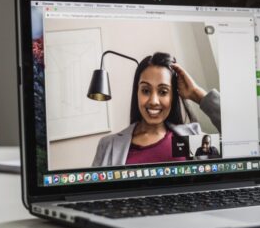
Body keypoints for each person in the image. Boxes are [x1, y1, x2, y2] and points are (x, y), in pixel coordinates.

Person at [92, 52, 221, 167]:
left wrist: (197, 94)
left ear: (172, 97)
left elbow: (238, 141)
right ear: (137, 92)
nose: (153, 101)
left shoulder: (192, 138)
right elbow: (95, 193)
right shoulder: (108, 145)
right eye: (146, 91)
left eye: (163, 92)